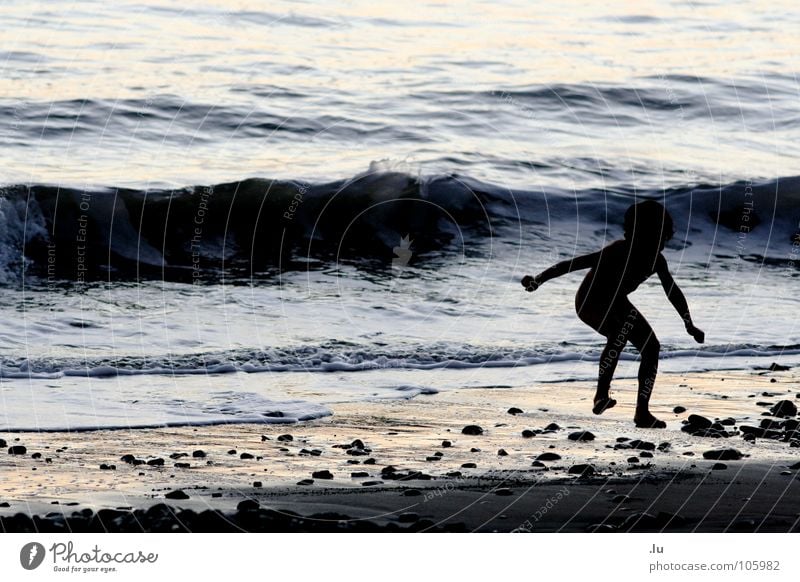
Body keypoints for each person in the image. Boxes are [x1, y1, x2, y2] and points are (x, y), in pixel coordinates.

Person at [521, 200, 705, 428]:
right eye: (654, 236)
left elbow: (672, 291)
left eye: (663, 237)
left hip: (617, 302)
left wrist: (689, 324)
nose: (660, 243)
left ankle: (642, 412)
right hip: (590, 300)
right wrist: (538, 280)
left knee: (651, 347)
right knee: (618, 333)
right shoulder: (617, 251)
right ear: (635, 233)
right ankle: (600, 395)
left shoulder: (657, 261)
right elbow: (572, 264)